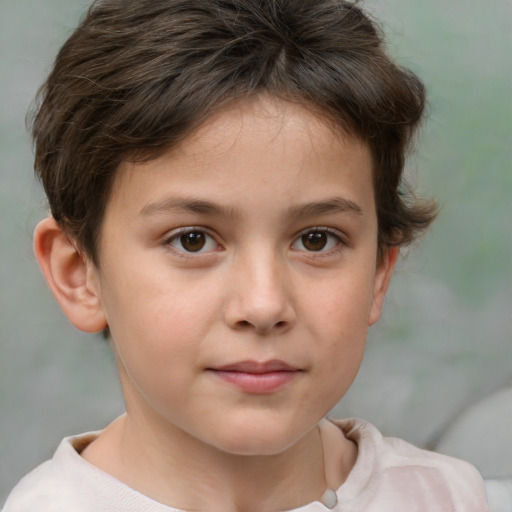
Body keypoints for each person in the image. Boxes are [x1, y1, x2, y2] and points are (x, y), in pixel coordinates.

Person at [2, 0, 490, 510]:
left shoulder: (446, 497)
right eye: (192, 239)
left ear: (378, 273)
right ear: (79, 274)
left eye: (317, 239)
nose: (263, 306)